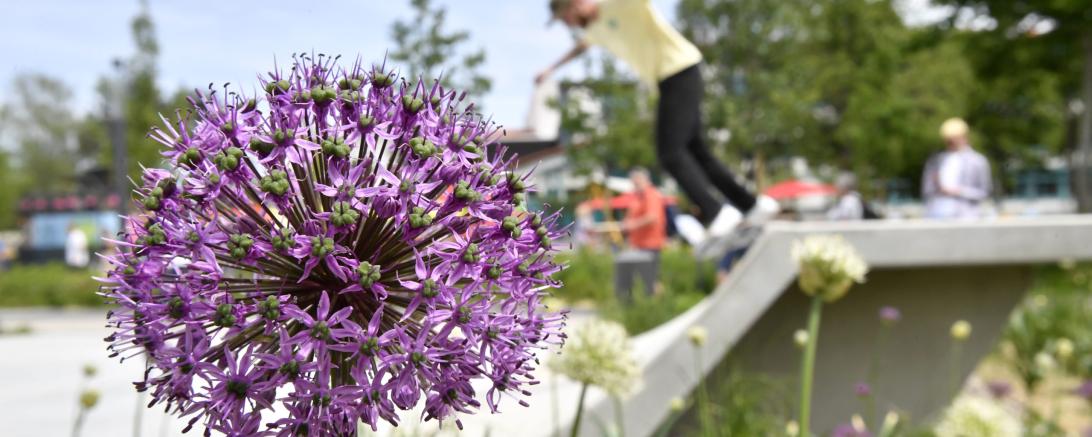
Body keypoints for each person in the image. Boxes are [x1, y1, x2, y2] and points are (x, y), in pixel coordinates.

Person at [538, 0, 779, 245]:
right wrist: (550, 69)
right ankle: (752, 206)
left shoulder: (619, 6)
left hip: (679, 71)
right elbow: (581, 47)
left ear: (576, 4)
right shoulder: (594, 29)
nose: (568, 24)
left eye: (565, 17)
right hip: (672, 78)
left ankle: (718, 211)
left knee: (671, 153)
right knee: (698, 152)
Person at [923, 118, 992, 219]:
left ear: (965, 137)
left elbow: (984, 192)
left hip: (967, 216)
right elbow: (927, 190)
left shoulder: (978, 161)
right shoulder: (936, 160)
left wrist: (959, 191)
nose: (951, 143)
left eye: (954, 139)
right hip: (937, 214)